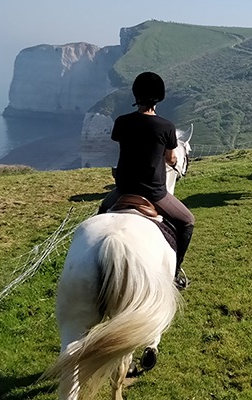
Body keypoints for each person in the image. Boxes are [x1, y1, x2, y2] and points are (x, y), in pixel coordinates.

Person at [98, 71, 195, 291]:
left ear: (136, 95)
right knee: (188, 221)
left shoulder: (122, 122)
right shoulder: (167, 127)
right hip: (154, 193)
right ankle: (174, 273)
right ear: (159, 97)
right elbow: (171, 158)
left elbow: (121, 142)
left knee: (101, 213)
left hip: (122, 189)